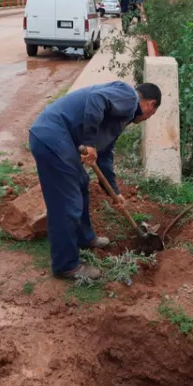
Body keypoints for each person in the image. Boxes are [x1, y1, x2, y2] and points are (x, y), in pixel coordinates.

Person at [28, 81, 161, 280]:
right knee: (67, 203)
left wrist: (114, 193)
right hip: (52, 137)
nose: (148, 118)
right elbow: (96, 99)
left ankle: (85, 238)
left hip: (62, 141)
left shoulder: (121, 118)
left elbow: (105, 157)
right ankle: (66, 265)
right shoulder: (129, 97)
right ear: (150, 105)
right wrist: (89, 143)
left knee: (81, 184)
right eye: (152, 114)